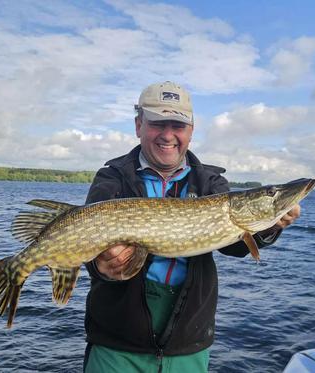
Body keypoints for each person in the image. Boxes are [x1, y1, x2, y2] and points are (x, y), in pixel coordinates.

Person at [83, 81, 302, 373]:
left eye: (178, 126)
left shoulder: (210, 183)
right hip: (117, 340)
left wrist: (270, 227)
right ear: (139, 125)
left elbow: (235, 245)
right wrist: (102, 267)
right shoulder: (112, 178)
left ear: (191, 130)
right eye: (158, 124)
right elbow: (86, 246)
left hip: (186, 339)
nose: (168, 135)